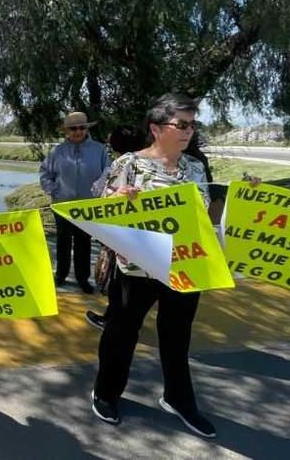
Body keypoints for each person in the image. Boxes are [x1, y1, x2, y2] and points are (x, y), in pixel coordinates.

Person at [90, 94, 217, 437]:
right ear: (156, 128)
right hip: (136, 268)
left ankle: (178, 398)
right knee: (121, 331)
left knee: (177, 335)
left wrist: (246, 195)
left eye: (193, 124)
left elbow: (206, 212)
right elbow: (100, 205)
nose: (189, 131)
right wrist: (115, 198)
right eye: (182, 124)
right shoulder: (129, 163)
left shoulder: (195, 166)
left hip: (184, 265)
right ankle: (106, 391)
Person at [85, 125, 147, 331]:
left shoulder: (122, 163)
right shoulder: (149, 164)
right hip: (142, 234)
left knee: (117, 279)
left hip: (119, 232)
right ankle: (126, 318)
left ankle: (112, 319)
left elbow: (103, 194)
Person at [39, 111, 109, 294]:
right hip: (62, 205)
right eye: (73, 128)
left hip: (88, 206)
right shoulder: (57, 151)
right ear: (66, 131)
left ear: (86, 129)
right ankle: (60, 275)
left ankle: (82, 278)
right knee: (63, 241)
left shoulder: (99, 150)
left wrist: (101, 191)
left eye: (81, 127)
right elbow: (45, 173)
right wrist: (53, 190)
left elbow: (108, 173)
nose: (78, 131)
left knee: (83, 242)